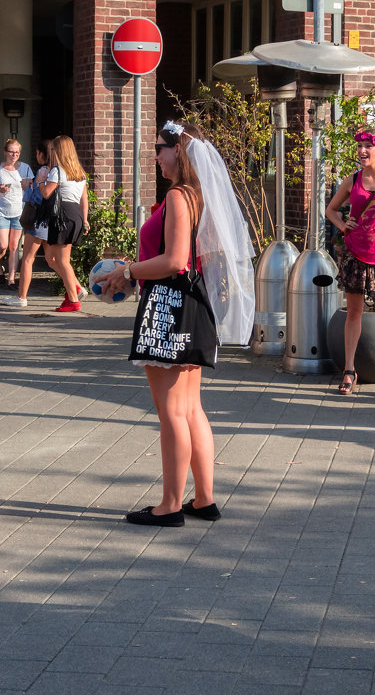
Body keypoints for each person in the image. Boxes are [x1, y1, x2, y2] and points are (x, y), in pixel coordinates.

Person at [95, 121, 252, 527]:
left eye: (160, 148)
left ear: (179, 151)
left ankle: (169, 505)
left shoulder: (180, 197)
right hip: (193, 307)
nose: (156, 156)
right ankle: (203, 499)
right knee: (192, 409)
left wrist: (128, 271)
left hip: (170, 307)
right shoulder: (199, 196)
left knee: (171, 413)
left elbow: (174, 260)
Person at [324, 130, 375, 395]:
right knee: (354, 313)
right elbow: (331, 210)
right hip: (356, 254)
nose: (362, 151)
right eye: (359, 146)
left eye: (368, 146)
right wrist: (342, 224)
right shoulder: (353, 180)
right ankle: (349, 370)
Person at [40, 135, 89, 312]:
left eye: (54, 149)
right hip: (74, 214)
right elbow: (84, 198)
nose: (52, 152)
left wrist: (40, 180)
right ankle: (74, 287)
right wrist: (84, 219)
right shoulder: (80, 172)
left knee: (62, 261)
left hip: (62, 215)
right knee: (51, 258)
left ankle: (74, 300)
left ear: (60, 151)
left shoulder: (57, 171)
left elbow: (46, 193)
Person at [4, 140, 51, 308]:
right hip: (48, 219)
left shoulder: (43, 171)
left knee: (28, 259)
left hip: (38, 219)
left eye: (37, 152)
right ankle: (75, 289)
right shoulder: (55, 170)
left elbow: (39, 196)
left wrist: (27, 187)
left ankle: (21, 297)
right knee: (53, 259)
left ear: (41, 154)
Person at [0, 139, 33, 287]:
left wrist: (28, 185)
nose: (14, 155)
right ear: (5, 152)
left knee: (14, 247)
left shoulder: (25, 168)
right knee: (3, 245)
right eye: (11, 152)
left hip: (19, 211)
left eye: (17, 152)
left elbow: (34, 189)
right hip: (0, 211)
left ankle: (11, 279)